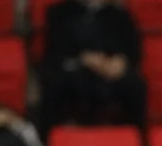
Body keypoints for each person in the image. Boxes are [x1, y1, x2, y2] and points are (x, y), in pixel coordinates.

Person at [40, 0, 147, 130]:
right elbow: (54, 51)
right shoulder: (59, 12)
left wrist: (120, 61)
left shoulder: (119, 14)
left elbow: (132, 50)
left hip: (110, 69)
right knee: (57, 83)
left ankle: (136, 139)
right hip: (74, 68)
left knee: (134, 85)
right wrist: (85, 59)